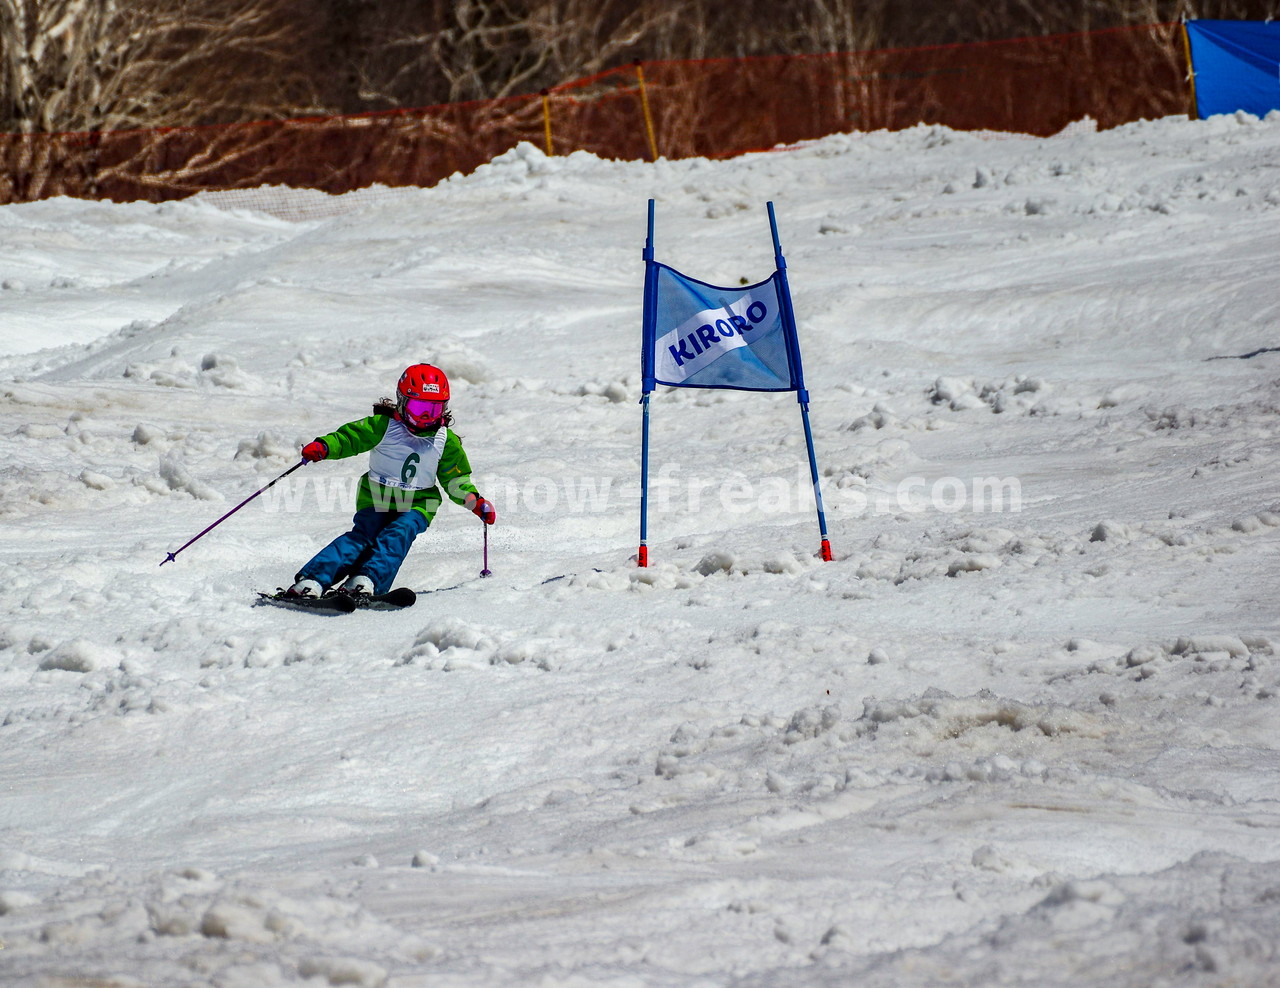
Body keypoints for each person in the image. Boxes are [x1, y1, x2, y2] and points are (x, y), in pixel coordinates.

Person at [286, 363, 495, 598]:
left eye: (434, 410)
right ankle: (313, 580)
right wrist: (325, 447)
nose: (425, 417)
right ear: (402, 401)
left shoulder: (445, 441)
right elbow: (349, 438)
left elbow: (455, 479)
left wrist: (474, 501)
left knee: (399, 533)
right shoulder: (383, 426)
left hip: (419, 503)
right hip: (377, 495)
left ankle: (366, 580)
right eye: (419, 407)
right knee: (363, 537)